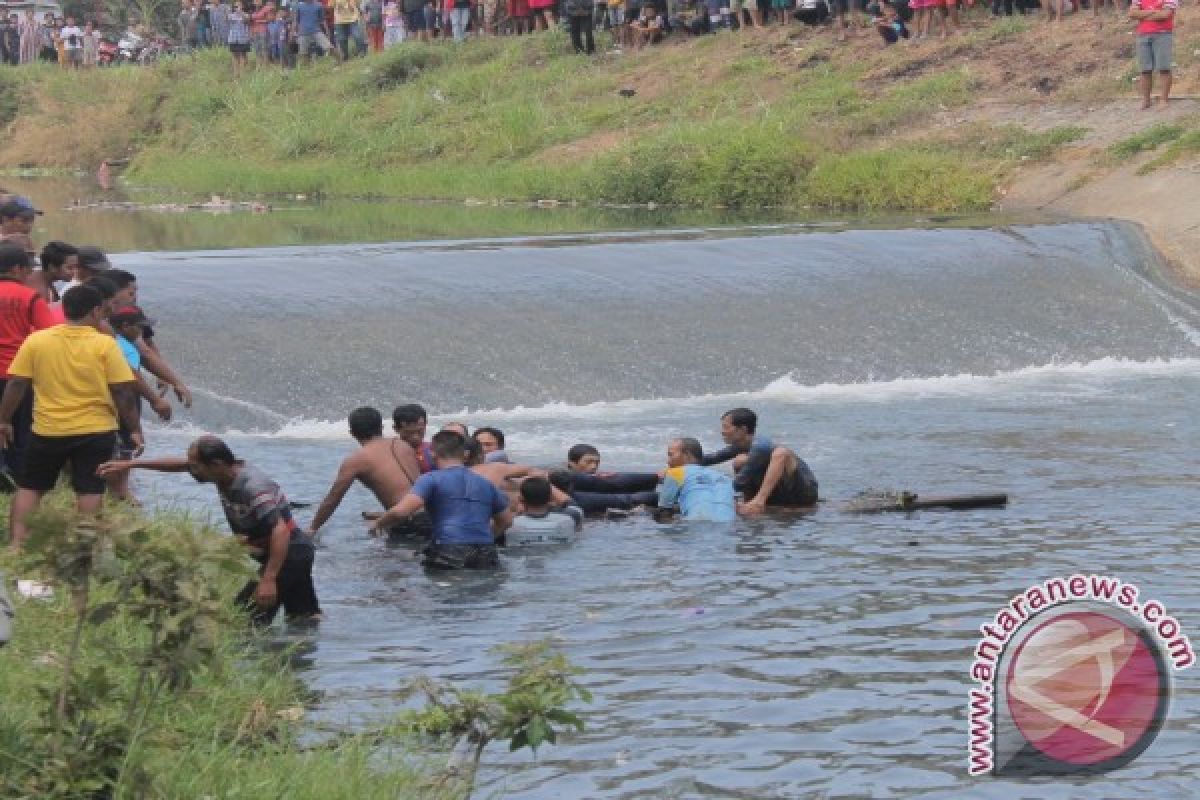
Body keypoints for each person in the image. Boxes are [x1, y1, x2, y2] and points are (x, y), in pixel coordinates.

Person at [97, 436, 320, 626]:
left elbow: (280, 531)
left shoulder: (254, 486)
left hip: (290, 552)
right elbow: (177, 465)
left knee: (245, 617)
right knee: (304, 619)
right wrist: (130, 465)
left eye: (195, 466)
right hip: (287, 552)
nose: (191, 469)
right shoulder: (222, 471)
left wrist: (269, 579)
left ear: (215, 464)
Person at [0, 286, 141, 551]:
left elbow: (17, 384)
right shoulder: (105, 344)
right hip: (96, 430)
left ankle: (18, 544)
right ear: (96, 311)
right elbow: (122, 390)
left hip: (48, 429)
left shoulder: (37, 341)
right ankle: (84, 546)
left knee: (30, 487)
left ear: (64, 309)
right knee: (89, 489)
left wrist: (4, 420)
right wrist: (134, 428)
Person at [370, 431, 513, 569]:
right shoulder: (485, 483)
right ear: (466, 454)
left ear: (432, 454)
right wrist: (483, 539)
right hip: (486, 553)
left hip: (448, 548)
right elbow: (506, 520)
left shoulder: (430, 479)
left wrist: (379, 523)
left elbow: (401, 512)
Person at [308, 406, 424, 538]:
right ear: (381, 427)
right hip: (433, 515)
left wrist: (313, 528)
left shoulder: (355, 460)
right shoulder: (403, 445)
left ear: (352, 433)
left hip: (408, 523)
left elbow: (332, 499)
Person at [0, 244, 56, 482]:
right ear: (16, 269)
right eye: (27, 271)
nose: (29, 276)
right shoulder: (30, 296)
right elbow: (50, 336)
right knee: (21, 430)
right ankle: (17, 477)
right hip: (18, 375)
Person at [105, 306, 173, 502]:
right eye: (139, 326)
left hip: (121, 407)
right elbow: (126, 384)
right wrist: (136, 425)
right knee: (122, 456)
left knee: (120, 456)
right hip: (121, 409)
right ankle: (121, 497)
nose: (142, 331)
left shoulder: (121, 343)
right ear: (125, 326)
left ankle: (119, 494)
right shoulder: (119, 347)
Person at [703, 407, 818, 514]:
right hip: (780, 495)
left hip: (803, 494)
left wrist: (710, 493)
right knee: (741, 461)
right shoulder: (741, 445)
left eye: (726, 427)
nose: (722, 431)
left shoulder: (760, 446)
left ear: (743, 429)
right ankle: (751, 501)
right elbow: (709, 459)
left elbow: (739, 481)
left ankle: (758, 502)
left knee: (780, 453)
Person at [657, 437, 735, 521]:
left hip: (696, 523)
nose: (668, 461)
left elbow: (663, 512)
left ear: (687, 455)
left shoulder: (676, 473)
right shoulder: (724, 478)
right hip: (728, 525)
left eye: (671, 455)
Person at [506, 476, 582, 545]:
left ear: (521, 499)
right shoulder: (570, 518)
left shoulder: (509, 525)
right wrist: (545, 481)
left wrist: (516, 514)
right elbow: (570, 502)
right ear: (551, 499)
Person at [1130, 0, 1176, 111]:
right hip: (1143, 34)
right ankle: (1146, 100)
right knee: (1144, 69)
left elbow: (1165, 15)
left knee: (1164, 68)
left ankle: (1164, 99)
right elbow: (1132, 14)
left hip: (1163, 33)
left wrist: (1142, 14)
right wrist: (1155, 11)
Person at [394, 403, 435, 473]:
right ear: (396, 429)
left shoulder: (436, 451)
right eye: (409, 432)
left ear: (426, 424)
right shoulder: (390, 453)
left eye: (420, 431)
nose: (415, 437)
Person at [228, 2, 252, 73]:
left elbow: (247, 21)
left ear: (242, 6)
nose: (237, 7)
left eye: (239, 5)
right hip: (233, 38)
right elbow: (227, 19)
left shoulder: (246, 15)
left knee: (243, 55)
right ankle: (236, 72)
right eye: (235, 6)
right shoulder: (231, 15)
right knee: (234, 56)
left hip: (243, 38)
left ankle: (243, 73)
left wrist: (241, 13)